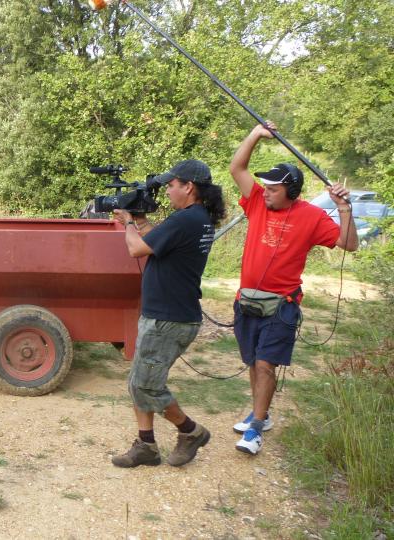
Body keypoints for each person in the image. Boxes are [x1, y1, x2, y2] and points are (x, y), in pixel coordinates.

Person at [228, 122, 357, 455]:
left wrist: (344, 207)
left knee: (264, 364)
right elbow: (236, 167)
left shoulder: (311, 217)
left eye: (273, 188)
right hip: (247, 301)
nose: (266, 191)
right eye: (265, 186)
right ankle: (262, 414)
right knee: (253, 361)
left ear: (291, 191)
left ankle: (255, 428)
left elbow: (348, 244)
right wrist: (256, 134)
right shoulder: (256, 201)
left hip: (281, 305)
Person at [111, 159, 226, 468]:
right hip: (165, 314)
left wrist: (128, 223)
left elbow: (137, 248)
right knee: (139, 379)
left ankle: (191, 431)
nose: (168, 190)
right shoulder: (194, 218)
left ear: (189, 187)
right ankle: (146, 445)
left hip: (169, 318)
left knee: (147, 385)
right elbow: (154, 239)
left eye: (172, 185)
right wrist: (141, 220)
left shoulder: (186, 220)